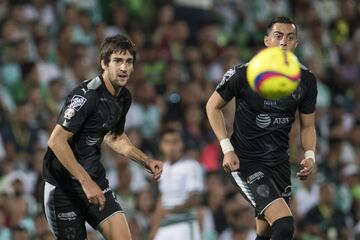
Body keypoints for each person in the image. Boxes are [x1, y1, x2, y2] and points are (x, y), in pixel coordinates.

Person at [206, 16, 317, 240]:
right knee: (284, 225)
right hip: (246, 162)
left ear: (296, 44)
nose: (284, 42)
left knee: (265, 233)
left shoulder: (306, 80)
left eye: (290, 37)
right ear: (267, 41)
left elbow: (308, 125)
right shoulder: (242, 74)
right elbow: (212, 106)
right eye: (278, 36)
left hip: (279, 165)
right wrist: (227, 148)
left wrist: (309, 154)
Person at [42, 34, 163, 240]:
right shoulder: (86, 96)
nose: (124, 68)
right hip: (63, 187)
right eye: (117, 61)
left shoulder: (123, 97)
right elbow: (56, 141)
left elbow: (114, 137)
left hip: (95, 180)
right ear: (104, 63)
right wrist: (85, 181)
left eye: (129, 62)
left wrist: (146, 160)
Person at [150, 128, 204, 240]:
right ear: (162, 145)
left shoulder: (191, 166)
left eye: (175, 141)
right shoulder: (162, 168)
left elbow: (195, 199)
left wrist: (170, 211)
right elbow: (162, 199)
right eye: (167, 142)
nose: (172, 146)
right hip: (164, 226)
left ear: (181, 144)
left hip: (184, 224)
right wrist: (153, 230)